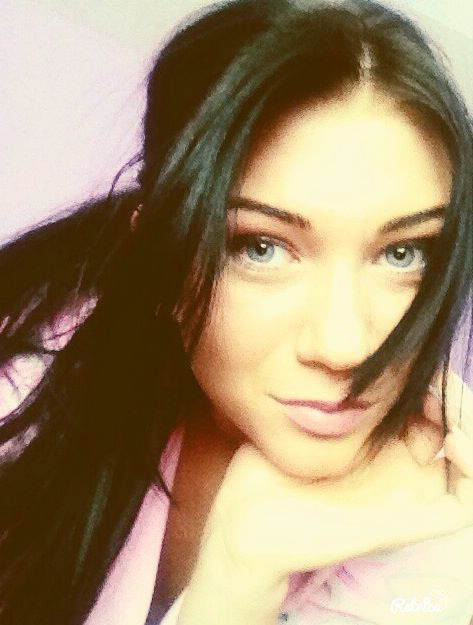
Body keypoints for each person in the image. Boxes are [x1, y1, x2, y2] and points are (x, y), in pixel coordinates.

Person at [1, 0, 472, 623]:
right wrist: (232, 582)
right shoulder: (31, 381)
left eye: (402, 253)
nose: (344, 347)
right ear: (161, 259)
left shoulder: (438, 516)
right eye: (260, 247)